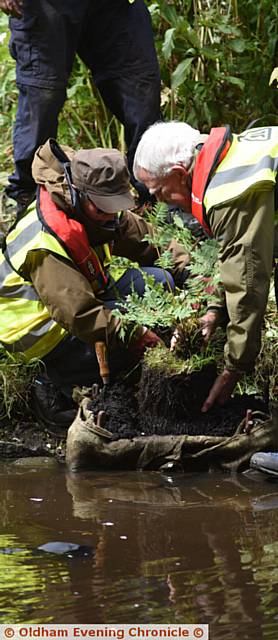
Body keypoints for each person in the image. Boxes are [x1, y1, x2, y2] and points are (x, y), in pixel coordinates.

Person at [0, 140, 189, 430]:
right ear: (77, 194)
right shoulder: (46, 240)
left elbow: (154, 243)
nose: (112, 215)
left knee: (162, 281)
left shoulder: (100, 204)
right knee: (127, 334)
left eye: (116, 207)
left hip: (85, 292)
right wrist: (137, 334)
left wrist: (198, 276)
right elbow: (79, 314)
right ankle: (50, 381)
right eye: (104, 209)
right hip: (39, 332)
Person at [133, 120, 278, 411]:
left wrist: (234, 367)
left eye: (159, 192)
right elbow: (235, 256)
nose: (161, 201)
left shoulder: (230, 192)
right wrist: (214, 311)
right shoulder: (229, 157)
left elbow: (247, 282)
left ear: (179, 174)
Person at [0, 0, 161, 213]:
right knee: (42, 100)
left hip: (118, 7)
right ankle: (29, 203)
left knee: (141, 95)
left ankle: (158, 196)